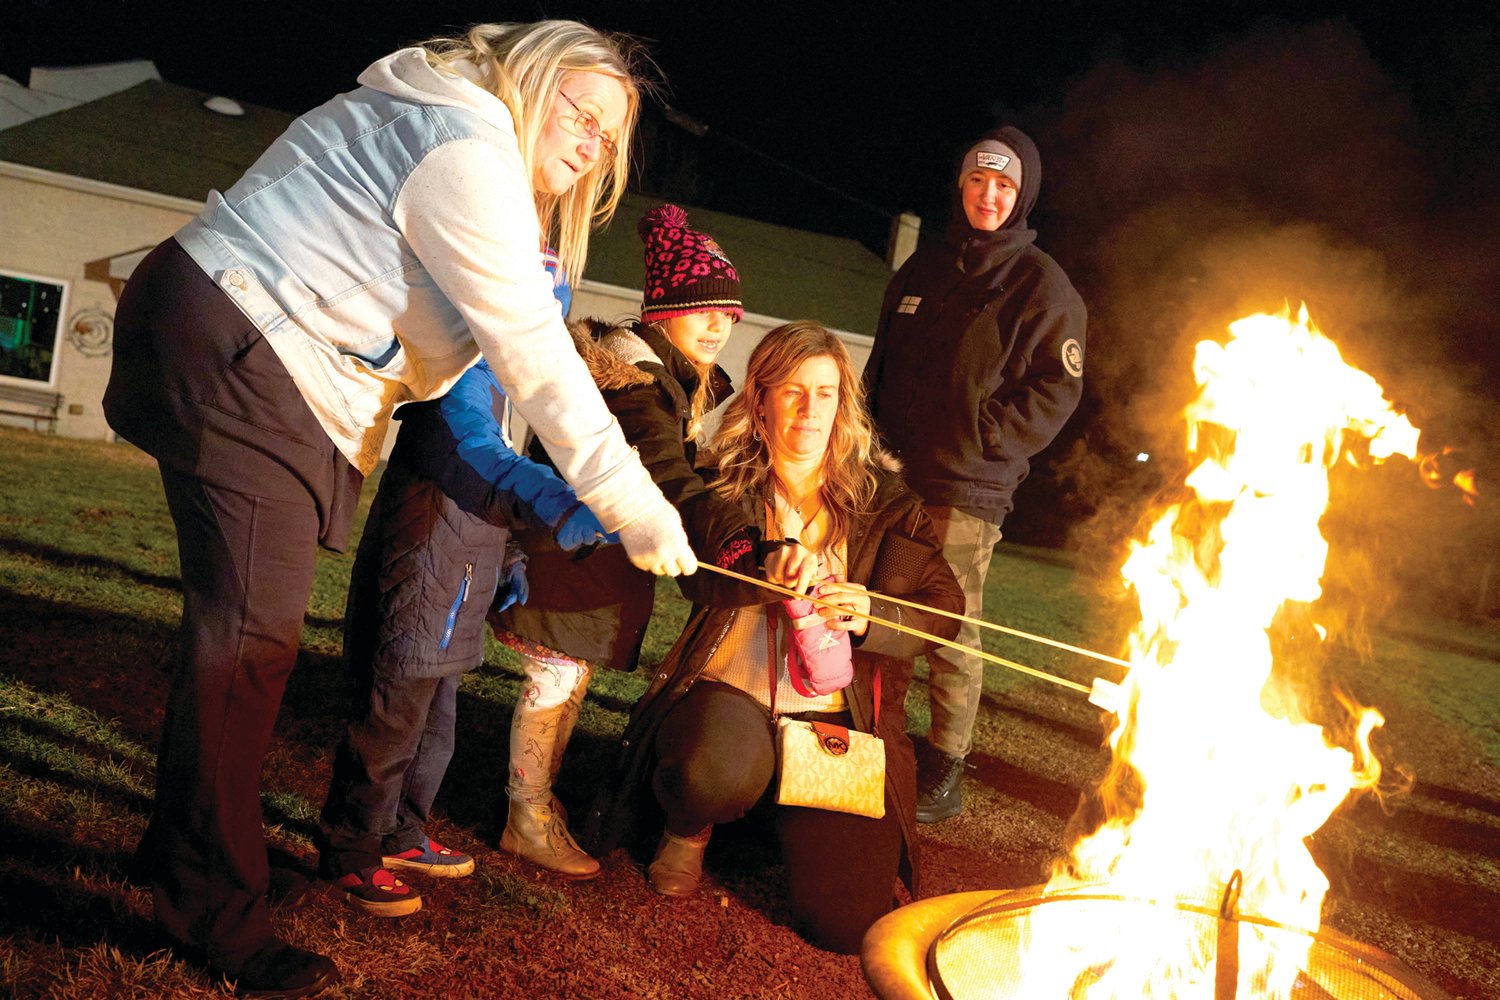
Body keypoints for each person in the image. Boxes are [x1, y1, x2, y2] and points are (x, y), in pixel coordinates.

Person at [102, 21, 694, 997]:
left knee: (237, 638)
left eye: (607, 136)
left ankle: (181, 860)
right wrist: (634, 504)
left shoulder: (447, 129)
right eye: (579, 112)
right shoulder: (468, 152)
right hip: (246, 337)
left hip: (247, 338)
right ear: (529, 77)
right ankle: (211, 909)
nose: (589, 142)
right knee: (249, 646)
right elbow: (533, 364)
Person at [584, 321, 965, 955]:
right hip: (730, 695)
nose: (810, 409)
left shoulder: (886, 501)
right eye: (791, 390)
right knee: (709, 775)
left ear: (844, 404)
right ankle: (691, 826)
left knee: (847, 922)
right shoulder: (719, 480)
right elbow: (700, 572)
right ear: (759, 397)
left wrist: (870, 610)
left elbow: (944, 609)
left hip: (832, 720)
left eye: (825, 392)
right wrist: (763, 565)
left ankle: (773, 811)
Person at [314, 253, 605, 916]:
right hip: (422, 579)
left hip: (461, 586)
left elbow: (487, 502)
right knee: (390, 722)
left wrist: (509, 564)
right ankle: (351, 845)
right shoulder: (453, 380)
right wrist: (560, 504)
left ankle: (404, 832)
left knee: (434, 728)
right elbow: (477, 458)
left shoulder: (504, 386)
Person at [490, 204, 765, 878]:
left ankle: (534, 801)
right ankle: (525, 813)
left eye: (729, 315)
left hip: (590, 563)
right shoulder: (640, 387)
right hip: (569, 559)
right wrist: (727, 533)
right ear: (664, 309)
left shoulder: (666, 382)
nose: (719, 327)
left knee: (565, 680)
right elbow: (664, 474)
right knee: (553, 682)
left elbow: (681, 464)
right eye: (703, 310)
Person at [862, 126, 1086, 824]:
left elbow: (1057, 388)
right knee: (873, 610)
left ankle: (946, 765)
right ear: (960, 186)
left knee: (949, 627)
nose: (988, 195)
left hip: (966, 488)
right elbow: (883, 362)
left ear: (1023, 196)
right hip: (891, 477)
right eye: (977, 180)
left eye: (1004, 185)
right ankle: (874, 736)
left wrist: (987, 436)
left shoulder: (1040, 285)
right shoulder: (924, 269)